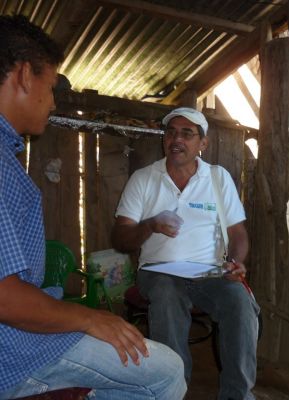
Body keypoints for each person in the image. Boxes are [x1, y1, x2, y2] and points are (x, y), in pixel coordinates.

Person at [0, 15, 186, 400]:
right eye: (50, 87)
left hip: (19, 328)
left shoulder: (6, 156)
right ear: (22, 76)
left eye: (188, 134)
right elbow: (3, 295)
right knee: (166, 371)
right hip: (13, 346)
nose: (52, 101)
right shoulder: (144, 180)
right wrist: (88, 317)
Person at [112, 106, 260, 400]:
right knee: (167, 293)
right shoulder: (144, 179)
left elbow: (238, 233)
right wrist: (151, 224)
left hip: (209, 271)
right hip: (157, 270)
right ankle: (174, 391)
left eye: (187, 134)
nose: (176, 139)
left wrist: (235, 262)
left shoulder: (218, 178)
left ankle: (238, 396)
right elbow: (120, 238)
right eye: (171, 132)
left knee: (241, 304)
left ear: (203, 144)